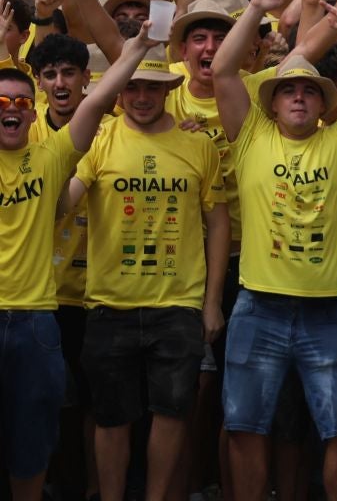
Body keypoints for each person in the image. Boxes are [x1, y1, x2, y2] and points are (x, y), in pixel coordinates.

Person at [209, 0, 337, 501]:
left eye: (308, 90)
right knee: (245, 427)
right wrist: (256, 7)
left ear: (324, 103)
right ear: (273, 103)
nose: (298, 95)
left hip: (330, 311)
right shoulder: (252, 135)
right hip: (260, 307)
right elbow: (223, 71)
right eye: (288, 90)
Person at [0, 26, 152, 501]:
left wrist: (139, 49)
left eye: (22, 103)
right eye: (2, 102)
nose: (12, 110)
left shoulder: (50, 157)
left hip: (35, 320)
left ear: (34, 110)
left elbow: (96, 101)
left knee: (32, 439)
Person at [75, 51, 228, 501]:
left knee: (173, 413)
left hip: (177, 303)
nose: (142, 96)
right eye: (134, 86)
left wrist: (212, 301)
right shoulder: (99, 139)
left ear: (167, 90)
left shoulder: (198, 144)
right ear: (119, 91)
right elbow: (66, 197)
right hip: (108, 302)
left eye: (153, 87)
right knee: (110, 417)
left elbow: (218, 221)